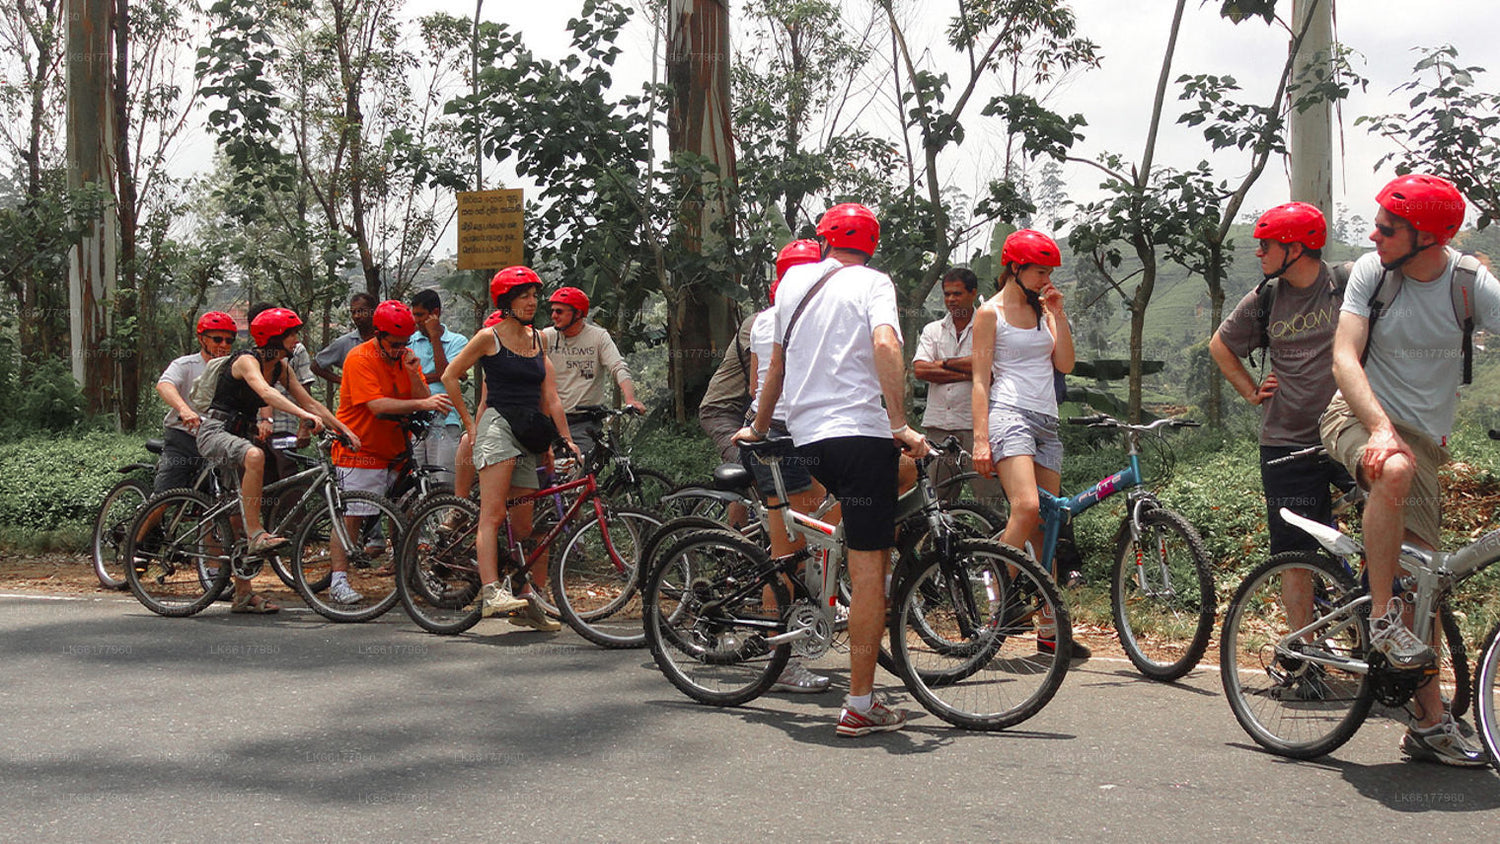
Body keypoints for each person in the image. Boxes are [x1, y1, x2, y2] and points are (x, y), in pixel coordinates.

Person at [1321, 174, 1500, 766]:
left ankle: (1426, 725)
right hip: (1356, 412)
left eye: (1388, 228)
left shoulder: (1471, 285)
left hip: (1427, 440)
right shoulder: (1374, 272)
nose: (1373, 235)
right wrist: (1377, 427)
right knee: (1392, 470)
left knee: (1423, 585)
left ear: (1428, 237)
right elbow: (1344, 355)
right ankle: (1377, 620)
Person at [737, 203, 929, 737]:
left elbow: (776, 363)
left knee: (835, 519)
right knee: (871, 576)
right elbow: (887, 344)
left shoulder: (794, 281)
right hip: (863, 438)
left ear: (824, 241)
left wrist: (757, 425)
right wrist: (900, 423)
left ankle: (823, 590)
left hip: (807, 438)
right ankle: (861, 703)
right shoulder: (874, 282)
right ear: (873, 246)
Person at [1210, 201, 1352, 665]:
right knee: (1294, 550)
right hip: (1286, 441)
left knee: (1382, 530)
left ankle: (1373, 624)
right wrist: (1252, 391)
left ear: (1295, 247)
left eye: (1266, 245)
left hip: (1349, 433)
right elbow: (1221, 345)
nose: (1259, 253)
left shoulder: (1347, 284)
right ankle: (1305, 653)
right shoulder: (1265, 298)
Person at [196, 307, 358, 614]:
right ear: (273, 338)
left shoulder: (282, 366)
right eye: (291, 334)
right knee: (256, 456)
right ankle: (258, 534)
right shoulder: (247, 360)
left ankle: (243, 595)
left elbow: (309, 401)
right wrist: (304, 416)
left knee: (237, 515)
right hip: (215, 431)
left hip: (241, 436)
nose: (297, 340)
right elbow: (266, 394)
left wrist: (345, 429)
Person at [970, 229, 1084, 659]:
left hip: (1046, 420)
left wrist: (1058, 313)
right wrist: (981, 438)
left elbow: (1065, 363)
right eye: (1039, 272)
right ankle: (996, 591)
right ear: (1014, 269)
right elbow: (980, 380)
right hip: (1008, 414)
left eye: (1048, 272)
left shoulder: (1044, 310)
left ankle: (1048, 627)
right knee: (1027, 508)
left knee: (1046, 524)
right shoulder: (989, 313)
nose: (1045, 278)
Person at [443, 268, 578, 631]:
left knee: (523, 525)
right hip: (497, 428)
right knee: (494, 514)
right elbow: (450, 376)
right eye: (523, 295)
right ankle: (490, 591)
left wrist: (562, 440)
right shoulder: (488, 338)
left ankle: (523, 596)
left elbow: (550, 396)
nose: (532, 301)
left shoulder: (538, 339)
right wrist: (470, 425)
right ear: (506, 302)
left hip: (527, 432)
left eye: (534, 294)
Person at [742, 238, 835, 694]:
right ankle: (780, 659)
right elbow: (772, 381)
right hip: (779, 439)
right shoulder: (783, 319)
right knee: (789, 553)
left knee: (819, 530)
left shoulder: (770, 317)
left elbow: (757, 380)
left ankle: (817, 612)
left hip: (795, 433)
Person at [325, 300, 453, 605]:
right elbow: (377, 405)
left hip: (396, 448)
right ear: (379, 335)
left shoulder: (405, 357)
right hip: (361, 448)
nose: (400, 349)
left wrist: (411, 373)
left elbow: (422, 394)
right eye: (394, 344)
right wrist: (422, 404)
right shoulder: (360, 358)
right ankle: (338, 580)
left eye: (405, 343)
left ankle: (409, 574)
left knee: (405, 512)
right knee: (352, 516)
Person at [911, 266, 1006, 511]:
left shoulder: (988, 326)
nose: (951, 299)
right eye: (947, 294)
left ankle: (994, 548)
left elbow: (991, 372)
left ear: (973, 293)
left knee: (989, 502)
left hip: (978, 431)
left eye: (957, 293)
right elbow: (920, 370)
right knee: (935, 505)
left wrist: (942, 364)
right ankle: (935, 549)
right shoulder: (933, 330)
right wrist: (972, 371)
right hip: (938, 429)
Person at [541, 287, 645, 463]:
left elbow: (618, 366)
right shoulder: (546, 336)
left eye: (559, 311)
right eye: (552, 311)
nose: (553, 316)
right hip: (550, 421)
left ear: (578, 313)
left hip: (584, 421)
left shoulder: (598, 337)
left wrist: (630, 399)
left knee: (582, 470)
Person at [153, 312, 238, 494]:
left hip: (216, 440)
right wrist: (184, 410)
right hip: (183, 437)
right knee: (163, 498)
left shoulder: (234, 369)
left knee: (221, 501)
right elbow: (164, 385)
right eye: (217, 339)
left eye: (228, 341)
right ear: (202, 339)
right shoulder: (186, 364)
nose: (223, 345)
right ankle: (144, 521)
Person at [408, 289, 468, 486]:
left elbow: (446, 373)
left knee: (443, 483)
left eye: (421, 315)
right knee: (414, 486)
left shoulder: (457, 341)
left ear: (435, 313)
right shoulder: (409, 341)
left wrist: (434, 336)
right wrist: (437, 377)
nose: (416, 320)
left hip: (444, 419)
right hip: (413, 421)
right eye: (414, 314)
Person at [311, 292, 378, 386]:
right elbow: (316, 366)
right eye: (353, 312)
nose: (356, 316)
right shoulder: (345, 343)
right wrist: (343, 381)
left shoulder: (386, 340)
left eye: (361, 311)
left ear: (373, 312)